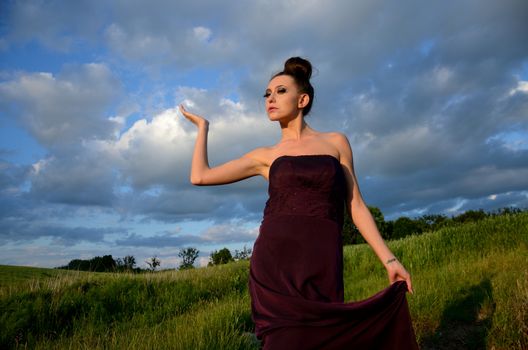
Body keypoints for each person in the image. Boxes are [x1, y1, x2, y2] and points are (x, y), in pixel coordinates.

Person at [180, 57, 419, 349]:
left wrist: (390, 260)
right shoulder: (265, 156)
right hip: (275, 266)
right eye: (267, 94)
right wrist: (203, 128)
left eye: (280, 91)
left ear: (302, 99)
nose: (270, 98)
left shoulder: (336, 143)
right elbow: (200, 176)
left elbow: (355, 205)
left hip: (322, 262)